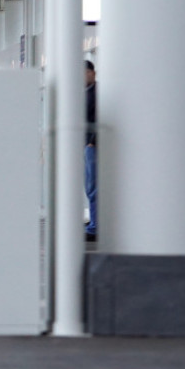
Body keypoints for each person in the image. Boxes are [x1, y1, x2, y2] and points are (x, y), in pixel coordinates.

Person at [84, 60, 98, 241]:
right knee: (89, 187)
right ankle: (94, 222)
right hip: (84, 144)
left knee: (93, 187)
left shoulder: (98, 92)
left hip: (92, 145)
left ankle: (95, 227)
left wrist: (92, 142)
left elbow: (100, 116)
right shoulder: (83, 92)